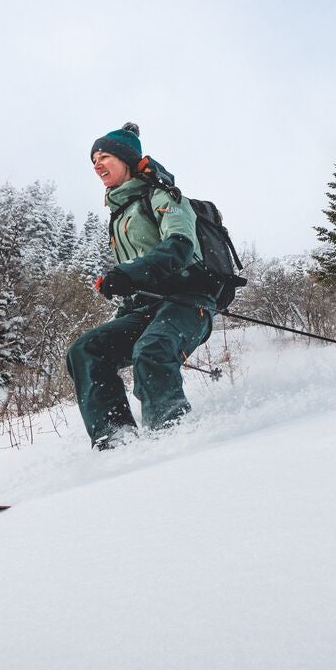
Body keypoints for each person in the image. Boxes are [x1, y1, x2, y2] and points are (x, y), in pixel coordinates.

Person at [66, 122, 216, 450]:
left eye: (104, 155)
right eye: (93, 159)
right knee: (86, 351)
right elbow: (135, 278)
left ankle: (172, 438)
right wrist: (123, 288)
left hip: (189, 300)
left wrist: (128, 274)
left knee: (152, 349)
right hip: (145, 308)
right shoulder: (119, 217)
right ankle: (115, 442)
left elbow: (179, 246)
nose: (97, 164)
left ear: (127, 160)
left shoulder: (164, 196)